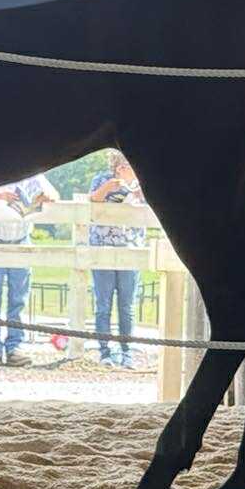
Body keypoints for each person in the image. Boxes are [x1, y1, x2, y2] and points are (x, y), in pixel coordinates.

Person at [0, 173, 59, 367]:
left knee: (18, 300)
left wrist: (45, 196)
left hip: (20, 241)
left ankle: (15, 347)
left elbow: (54, 194)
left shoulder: (32, 174)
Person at [88, 152, 146, 370]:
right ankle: (105, 351)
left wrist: (137, 190)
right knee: (103, 304)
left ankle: (126, 352)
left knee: (127, 305)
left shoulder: (141, 181)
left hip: (129, 247)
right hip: (103, 246)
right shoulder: (102, 179)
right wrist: (110, 187)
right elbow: (93, 200)